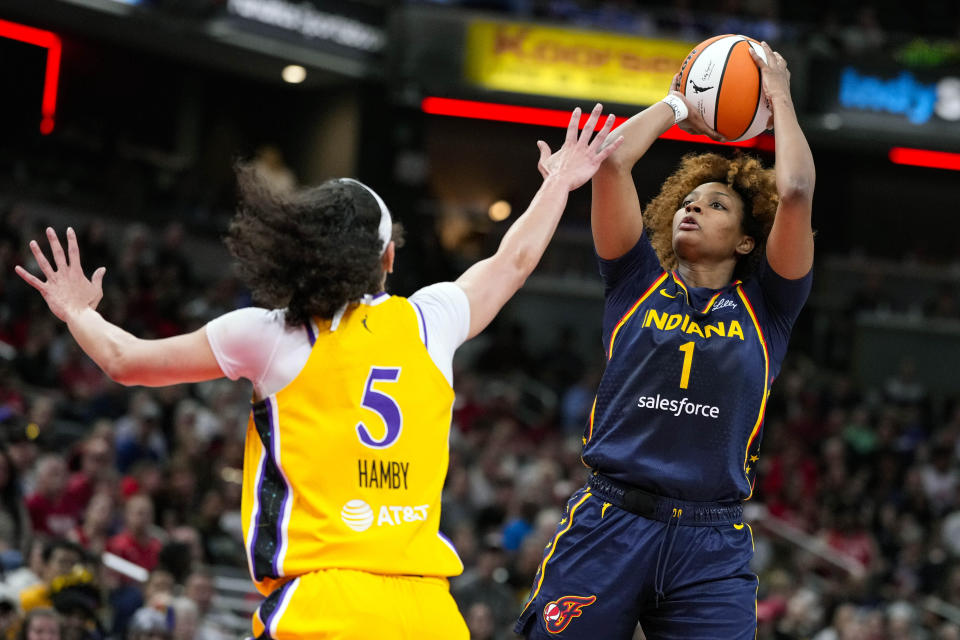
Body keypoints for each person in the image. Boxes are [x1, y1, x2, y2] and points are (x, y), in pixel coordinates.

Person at [15, 104, 623, 639]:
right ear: (389, 255)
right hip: (430, 611)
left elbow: (125, 362)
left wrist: (75, 311)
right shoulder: (430, 320)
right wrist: (561, 182)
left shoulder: (268, 334)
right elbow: (512, 261)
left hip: (323, 605)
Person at [516, 42, 815, 639]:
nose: (692, 208)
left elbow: (798, 190)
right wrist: (681, 99)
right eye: (687, 200)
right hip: (610, 520)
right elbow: (611, 162)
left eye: (715, 205)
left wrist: (778, 96)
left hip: (710, 542)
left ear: (747, 241)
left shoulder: (769, 309)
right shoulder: (634, 281)